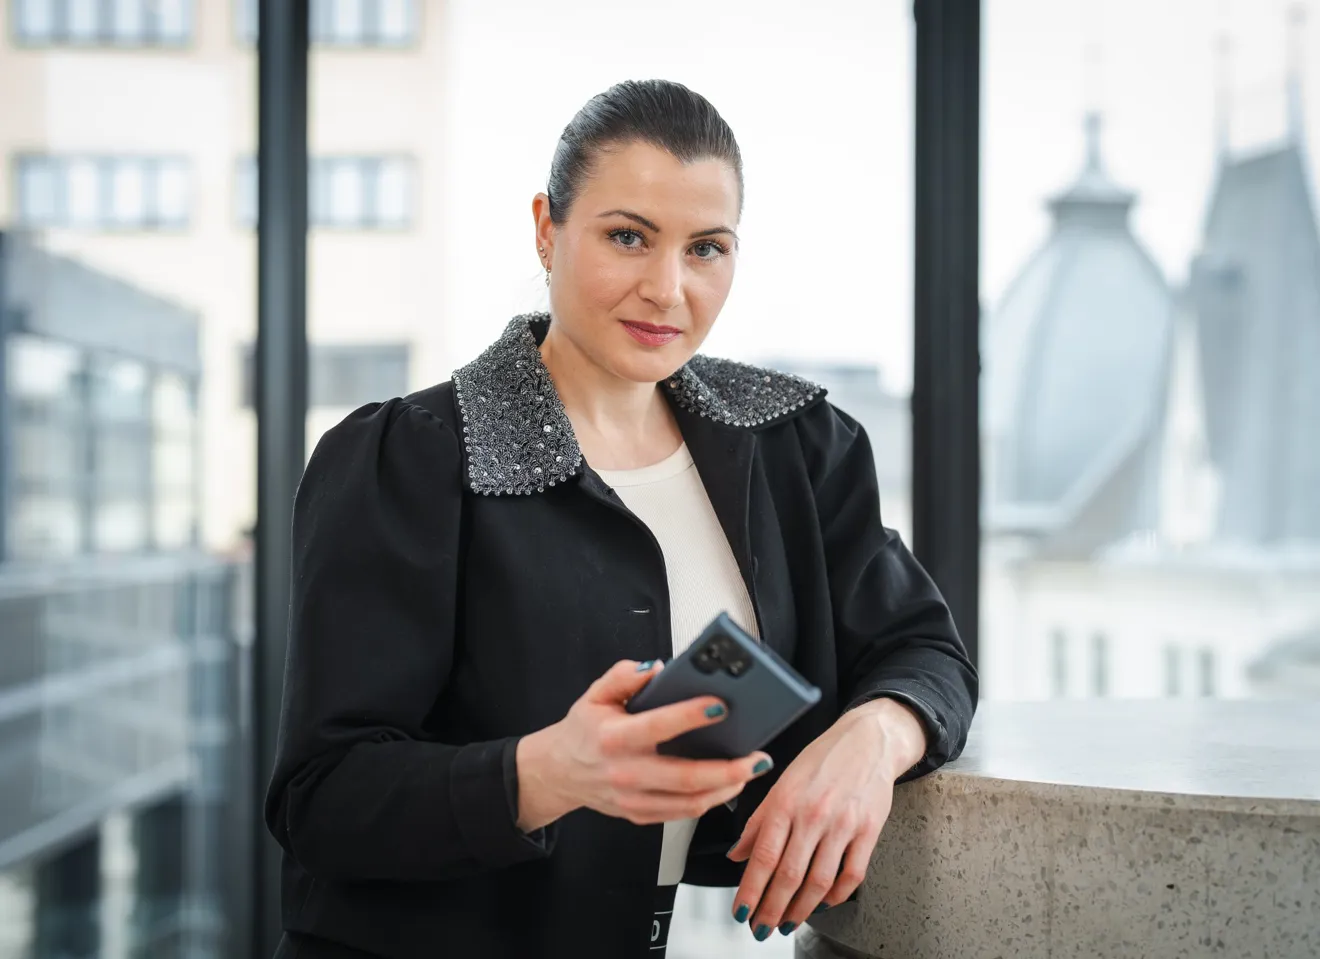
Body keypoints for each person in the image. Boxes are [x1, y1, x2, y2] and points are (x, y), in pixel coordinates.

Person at [266, 79, 977, 959]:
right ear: (545, 228)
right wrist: (546, 771)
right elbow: (322, 800)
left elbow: (926, 649)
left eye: (707, 248)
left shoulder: (796, 445)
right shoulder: (405, 459)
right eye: (628, 236)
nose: (668, 289)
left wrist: (873, 737)